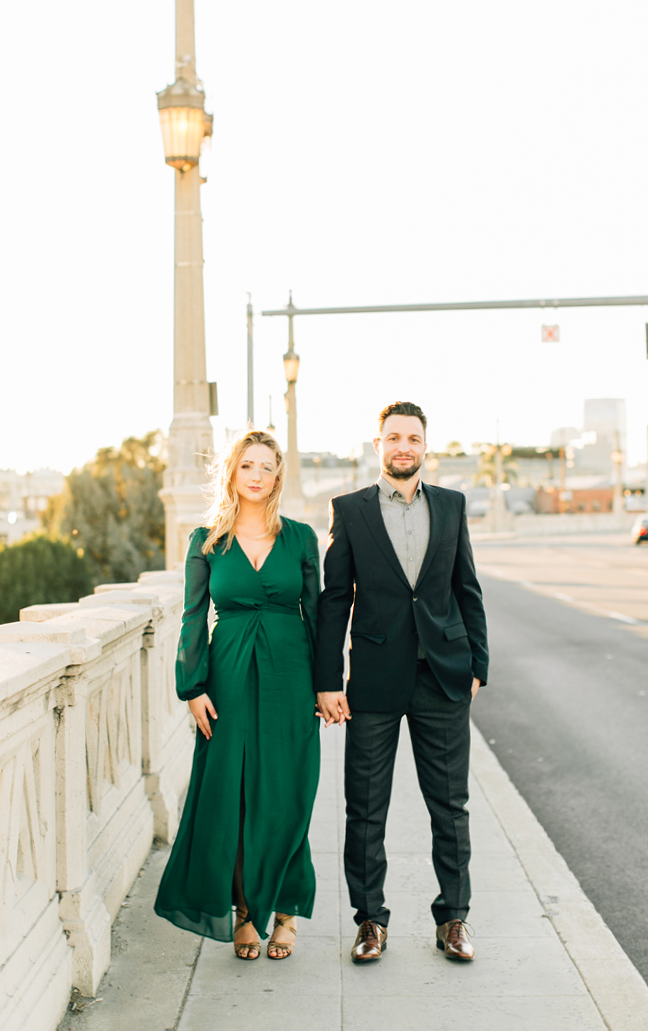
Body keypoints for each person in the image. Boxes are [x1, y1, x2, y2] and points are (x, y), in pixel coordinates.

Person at [314, 401, 489, 963]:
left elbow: (468, 588)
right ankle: (370, 922)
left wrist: (479, 663)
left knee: (450, 806)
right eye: (393, 438)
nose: (403, 447)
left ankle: (454, 920)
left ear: (425, 446)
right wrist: (328, 679)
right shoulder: (351, 510)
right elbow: (335, 598)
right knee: (365, 808)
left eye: (413, 438)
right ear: (377, 446)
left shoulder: (452, 506)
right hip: (374, 679)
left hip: (443, 676)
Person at [154, 429, 321, 961]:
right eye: (247, 465)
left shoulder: (300, 538)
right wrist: (192, 687)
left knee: (287, 792)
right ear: (232, 472)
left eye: (266, 467)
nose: (256, 475)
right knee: (235, 794)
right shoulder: (206, 540)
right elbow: (192, 616)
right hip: (226, 678)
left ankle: (287, 910)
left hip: (290, 677)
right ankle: (246, 910)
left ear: (277, 476)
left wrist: (327, 684)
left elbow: (317, 615)